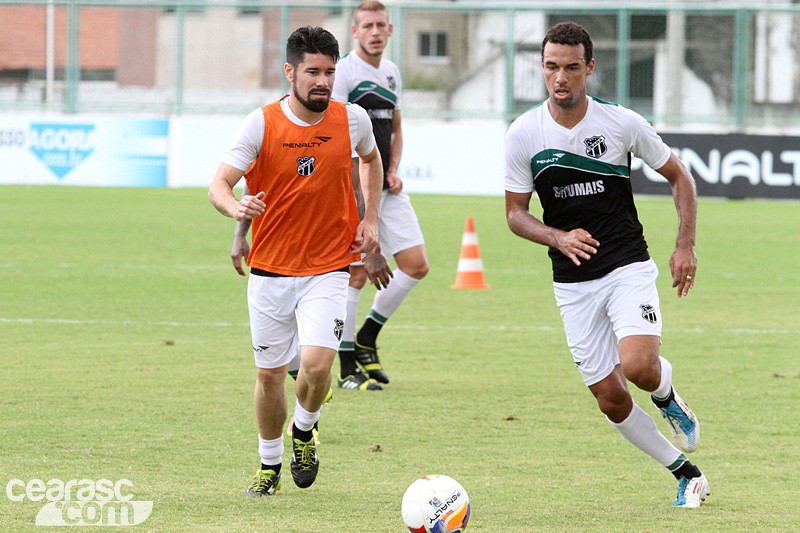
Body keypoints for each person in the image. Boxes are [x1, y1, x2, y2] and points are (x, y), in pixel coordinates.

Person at [504, 22, 709, 508]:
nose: (561, 78)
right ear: (542, 68)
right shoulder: (524, 133)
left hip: (626, 265)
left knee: (638, 366)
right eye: (552, 67)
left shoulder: (621, 123)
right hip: (572, 283)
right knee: (610, 399)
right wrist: (556, 236)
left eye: (572, 68)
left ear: (589, 68)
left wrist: (685, 244)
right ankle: (686, 473)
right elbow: (514, 214)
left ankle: (666, 394)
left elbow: (679, 176)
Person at [208, 26, 384, 497]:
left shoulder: (354, 120)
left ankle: (304, 430)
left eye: (329, 72)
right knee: (268, 377)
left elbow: (371, 160)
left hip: (328, 267)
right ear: (290, 72)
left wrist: (372, 218)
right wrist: (236, 211)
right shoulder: (261, 123)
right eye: (313, 73)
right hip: (269, 271)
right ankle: (269, 467)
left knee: (317, 364)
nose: (323, 82)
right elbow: (219, 186)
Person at [330, 0, 429, 390]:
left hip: (386, 186)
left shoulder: (391, 73)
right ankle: (346, 362)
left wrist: (392, 169)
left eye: (380, 25)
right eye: (367, 25)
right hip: (353, 189)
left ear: (390, 31)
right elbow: (342, 144)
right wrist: (359, 199)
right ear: (355, 32)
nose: (374, 31)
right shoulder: (344, 74)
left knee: (416, 264)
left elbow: (396, 128)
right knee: (356, 272)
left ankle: (368, 336)